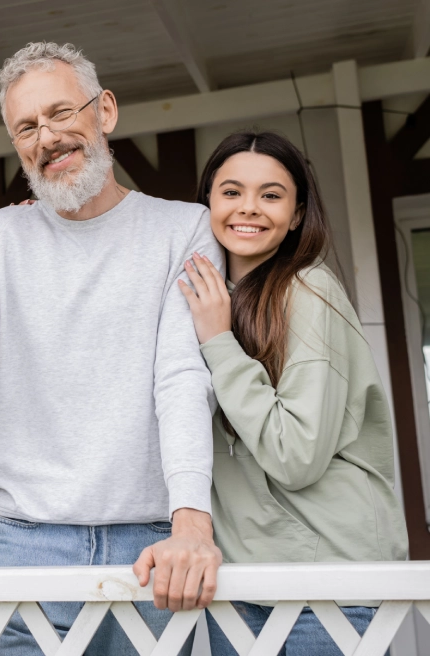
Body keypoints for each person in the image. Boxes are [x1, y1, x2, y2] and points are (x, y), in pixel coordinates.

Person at [0, 42, 223, 654]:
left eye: (61, 113)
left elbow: (183, 378)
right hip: (23, 539)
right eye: (26, 126)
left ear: (104, 111)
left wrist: (191, 520)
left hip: (154, 538)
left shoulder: (184, 227)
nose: (47, 136)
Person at [178, 130, 409, 654]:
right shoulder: (203, 298)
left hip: (327, 577)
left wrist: (218, 341)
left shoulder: (308, 289)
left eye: (272, 195)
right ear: (207, 203)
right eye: (232, 192)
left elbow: (296, 454)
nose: (249, 209)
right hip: (239, 579)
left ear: (298, 213)